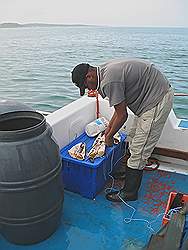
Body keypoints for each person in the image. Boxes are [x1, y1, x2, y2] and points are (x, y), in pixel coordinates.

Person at [71, 59, 174, 202]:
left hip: (156, 99)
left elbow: (123, 115)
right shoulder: (104, 72)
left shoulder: (109, 81)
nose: (90, 90)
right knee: (133, 137)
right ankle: (128, 171)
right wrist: (108, 131)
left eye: (87, 86)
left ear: (89, 76)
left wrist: (109, 136)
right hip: (148, 99)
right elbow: (118, 110)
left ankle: (129, 193)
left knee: (139, 149)